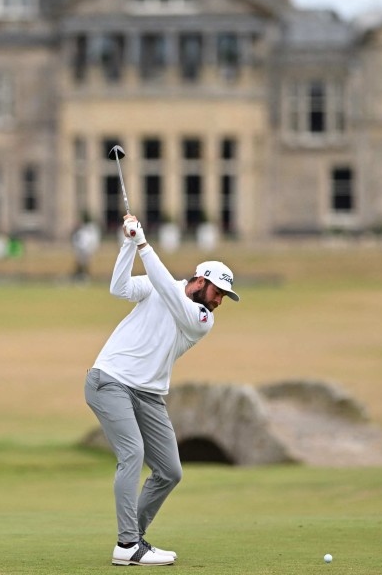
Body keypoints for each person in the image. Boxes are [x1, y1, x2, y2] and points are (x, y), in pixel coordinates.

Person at [84, 214, 240, 567]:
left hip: (149, 395)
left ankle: (133, 539)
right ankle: (127, 546)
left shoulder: (201, 319)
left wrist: (143, 244)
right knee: (132, 454)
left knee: (171, 471)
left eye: (224, 298)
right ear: (201, 280)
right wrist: (128, 244)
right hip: (110, 380)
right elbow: (119, 289)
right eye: (218, 292)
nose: (219, 302)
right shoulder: (161, 285)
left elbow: (170, 292)